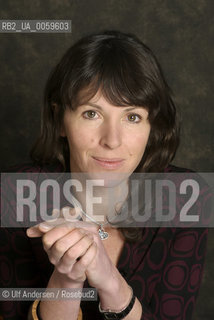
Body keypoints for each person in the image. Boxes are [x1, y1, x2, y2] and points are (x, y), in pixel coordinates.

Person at [0, 30, 209, 320]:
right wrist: (67, 279)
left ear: (152, 127)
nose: (111, 140)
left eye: (132, 117)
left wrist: (109, 281)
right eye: (91, 113)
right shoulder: (13, 195)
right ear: (61, 120)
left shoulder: (185, 197)